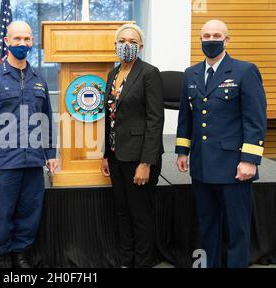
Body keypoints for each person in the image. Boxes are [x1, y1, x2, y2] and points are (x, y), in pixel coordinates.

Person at [175, 20, 267, 268]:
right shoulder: (190, 74)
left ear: (227, 40)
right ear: (200, 39)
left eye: (216, 35)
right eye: (206, 35)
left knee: (236, 230)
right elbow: (187, 117)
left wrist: (249, 160)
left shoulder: (244, 71)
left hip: (233, 167)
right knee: (208, 227)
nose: (211, 39)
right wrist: (182, 151)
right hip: (202, 166)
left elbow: (255, 119)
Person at [0, 21, 58, 268]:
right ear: (6, 41)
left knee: (30, 211)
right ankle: (2, 256)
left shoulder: (39, 78)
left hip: (33, 162)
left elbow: (46, 119)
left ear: (32, 42)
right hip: (2, 162)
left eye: (27, 39)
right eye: (17, 39)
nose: (22, 44)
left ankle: (20, 253)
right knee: (2, 213)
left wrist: (51, 154)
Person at [100, 23, 164, 268]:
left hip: (139, 158)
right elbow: (110, 116)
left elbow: (155, 120)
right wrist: (106, 154)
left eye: (132, 41)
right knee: (122, 212)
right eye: (122, 41)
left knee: (141, 216)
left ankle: (143, 262)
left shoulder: (149, 72)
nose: (126, 45)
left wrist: (146, 162)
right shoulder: (112, 75)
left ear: (141, 46)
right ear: (116, 45)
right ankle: (126, 261)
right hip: (117, 156)